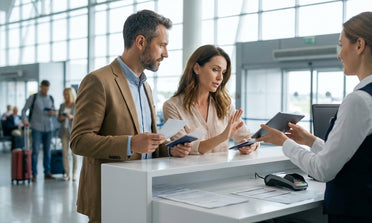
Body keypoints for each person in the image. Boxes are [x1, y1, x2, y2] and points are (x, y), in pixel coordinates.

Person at [255, 12, 372, 222]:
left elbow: (323, 170)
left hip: (359, 214)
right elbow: (358, 160)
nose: (339, 55)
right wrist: (310, 141)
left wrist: (284, 142)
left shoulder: (360, 100)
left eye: (342, 45)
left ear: (359, 45)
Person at [70, 10, 191, 222]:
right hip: (110, 196)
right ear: (141, 42)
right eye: (162, 45)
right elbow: (79, 141)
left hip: (143, 193)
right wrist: (130, 143)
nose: (166, 54)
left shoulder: (146, 86)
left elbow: (147, 143)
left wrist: (170, 149)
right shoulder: (98, 81)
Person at [163, 45, 259, 155]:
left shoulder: (225, 105)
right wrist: (223, 136)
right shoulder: (172, 106)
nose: (220, 78)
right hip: (190, 171)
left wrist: (250, 145)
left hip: (222, 171)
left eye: (223, 72)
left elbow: (249, 137)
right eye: (215, 70)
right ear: (196, 68)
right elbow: (184, 149)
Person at [21, 80, 56, 182]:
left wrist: (52, 112)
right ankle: (34, 173)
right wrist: (25, 121)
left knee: (47, 151)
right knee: (35, 151)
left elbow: (54, 110)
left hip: (49, 128)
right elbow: (24, 110)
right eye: (44, 88)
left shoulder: (50, 98)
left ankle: (47, 172)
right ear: (40, 87)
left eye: (47, 88)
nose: (45, 90)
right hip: (36, 127)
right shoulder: (34, 97)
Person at [57, 87, 78, 181]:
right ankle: (67, 174)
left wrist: (72, 117)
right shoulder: (62, 105)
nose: (65, 96)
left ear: (70, 94)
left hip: (73, 131)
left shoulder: (76, 105)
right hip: (64, 131)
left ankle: (74, 173)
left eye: (66, 94)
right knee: (65, 153)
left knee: (74, 153)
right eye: (64, 94)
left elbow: (79, 118)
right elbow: (58, 118)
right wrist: (61, 118)